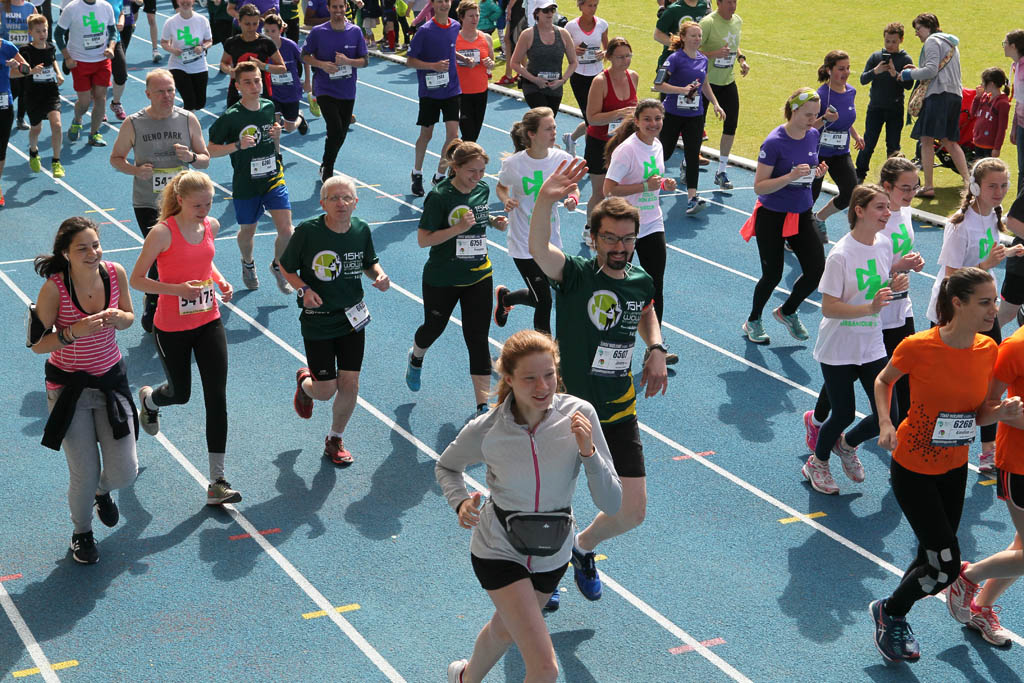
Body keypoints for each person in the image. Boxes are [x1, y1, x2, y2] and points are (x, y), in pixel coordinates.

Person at [437, 329, 621, 683]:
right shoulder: (488, 429)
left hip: (553, 553)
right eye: (530, 378)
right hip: (498, 549)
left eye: (549, 374)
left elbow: (611, 503)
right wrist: (459, 502)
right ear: (508, 378)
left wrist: (589, 452)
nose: (543, 386)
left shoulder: (580, 415)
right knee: (545, 669)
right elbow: (447, 466)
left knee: (505, 630)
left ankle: (464, 678)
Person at [528, 159, 668, 604]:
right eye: (610, 238)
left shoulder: (641, 280)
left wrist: (656, 347)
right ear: (593, 238)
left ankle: (582, 547)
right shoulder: (575, 275)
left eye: (627, 239)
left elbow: (646, 311)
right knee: (551, 504)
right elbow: (538, 248)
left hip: (618, 408)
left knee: (633, 511)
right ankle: (544, 574)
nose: (620, 247)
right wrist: (545, 199)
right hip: (568, 411)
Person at [870, 267, 1023, 663]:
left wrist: (1001, 413)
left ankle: (893, 616)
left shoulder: (988, 349)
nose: (994, 310)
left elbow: (980, 414)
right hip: (913, 468)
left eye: (995, 301)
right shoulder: (918, 346)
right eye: (985, 302)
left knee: (932, 556)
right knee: (946, 567)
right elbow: (883, 381)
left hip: (955, 468)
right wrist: (886, 422)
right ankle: (890, 611)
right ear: (958, 303)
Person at [129, 170, 241, 506]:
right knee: (181, 394)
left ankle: (217, 481)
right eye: (197, 205)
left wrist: (219, 281)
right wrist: (176, 290)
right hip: (172, 327)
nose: (204, 211)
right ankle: (150, 401)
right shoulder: (162, 233)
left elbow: (204, 262)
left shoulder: (210, 226)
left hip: (208, 321)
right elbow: (137, 280)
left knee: (216, 397)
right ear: (180, 200)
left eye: (208, 204)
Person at [31, 217, 139, 565]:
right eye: (83, 248)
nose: (93, 253)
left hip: (110, 382)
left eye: (95, 245)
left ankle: (102, 491)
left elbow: (130, 316)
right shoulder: (54, 289)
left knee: (126, 471)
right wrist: (73, 332)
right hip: (69, 390)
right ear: (66, 253)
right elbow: (37, 344)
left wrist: (120, 319)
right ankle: (82, 532)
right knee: (84, 472)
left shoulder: (115, 273)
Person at [804, 157, 926, 451]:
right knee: (846, 376)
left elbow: (887, 261)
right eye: (905, 188)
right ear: (888, 186)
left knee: (901, 373)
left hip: (896, 306)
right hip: (869, 313)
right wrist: (896, 270)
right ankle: (819, 423)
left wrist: (906, 267)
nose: (911, 194)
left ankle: (891, 433)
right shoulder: (869, 228)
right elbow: (865, 268)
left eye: (915, 187)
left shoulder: (902, 214)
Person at [800, 185, 910, 495]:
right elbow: (829, 307)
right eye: (880, 207)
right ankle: (817, 463)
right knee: (844, 413)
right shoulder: (841, 255)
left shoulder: (884, 244)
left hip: (871, 343)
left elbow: (875, 285)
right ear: (859, 211)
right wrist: (869, 308)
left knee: (888, 415)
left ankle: (846, 444)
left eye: (887, 207)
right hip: (839, 347)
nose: (887, 213)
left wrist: (894, 284)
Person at [281, 175, 391, 466]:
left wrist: (379, 275)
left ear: (355, 202)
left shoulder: (361, 229)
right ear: (323, 203)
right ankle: (305, 382)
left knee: (350, 382)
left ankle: (335, 438)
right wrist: (304, 290)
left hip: (352, 319)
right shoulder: (308, 232)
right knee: (325, 391)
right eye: (334, 198)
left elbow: (369, 262)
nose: (341, 203)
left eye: (346, 198)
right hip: (318, 320)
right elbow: (286, 266)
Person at [924, 158, 1019, 472]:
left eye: (1003, 185)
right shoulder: (958, 224)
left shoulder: (993, 214)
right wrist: (986, 266)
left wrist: (1007, 252)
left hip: (983, 310)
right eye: (992, 186)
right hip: (954, 312)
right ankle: (930, 439)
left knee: (990, 378)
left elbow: (983, 253)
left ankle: (988, 449)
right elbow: (951, 277)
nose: (999, 191)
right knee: (948, 382)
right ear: (976, 187)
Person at [405, 140, 507, 414]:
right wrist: (458, 228)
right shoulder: (439, 196)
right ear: (456, 167)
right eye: (472, 171)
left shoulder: (482, 189)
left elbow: (479, 216)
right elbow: (423, 240)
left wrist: (494, 222)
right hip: (443, 277)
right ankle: (416, 357)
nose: (478, 176)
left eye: (482, 171)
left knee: (477, 338)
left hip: (478, 274)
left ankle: (482, 406)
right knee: (433, 329)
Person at [942, 321, 1024, 647]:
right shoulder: (1016, 347)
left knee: (1021, 546)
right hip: (1019, 462)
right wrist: (1009, 412)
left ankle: (980, 609)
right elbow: (986, 407)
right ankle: (967, 576)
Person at [110, 68, 211, 332]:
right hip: (148, 201)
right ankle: (153, 300)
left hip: (183, 203)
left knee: (179, 253)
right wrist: (135, 170)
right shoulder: (134, 123)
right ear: (148, 94)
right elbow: (116, 158)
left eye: (170, 91)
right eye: (160, 92)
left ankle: (180, 298)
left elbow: (205, 159)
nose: (167, 96)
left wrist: (191, 158)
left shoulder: (187, 119)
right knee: (158, 254)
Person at [741, 87, 826, 345]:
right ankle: (753, 320)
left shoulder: (812, 135)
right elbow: (759, 187)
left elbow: (807, 172)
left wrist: (817, 174)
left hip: (802, 213)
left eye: (816, 114)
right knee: (773, 275)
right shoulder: (774, 142)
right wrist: (790, 176)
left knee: (817, 270)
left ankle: (787, 311)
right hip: (772, 215)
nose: (813, 120)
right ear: (794, 110)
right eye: (808, 114)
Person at [603, 99, 681, 367]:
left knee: (655, 285)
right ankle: (607, 343)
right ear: (636, 121)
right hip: (624, 226)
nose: (653, 124)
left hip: (652, 222)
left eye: (658, 119)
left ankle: (655, 348)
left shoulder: (657, 145)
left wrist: (663, 184)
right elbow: (609, 189)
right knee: (617, 284)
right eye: (647, 119)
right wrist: (645, 186)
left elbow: (652, 181)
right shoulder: (626, 151)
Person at [208, 60, 295, 294]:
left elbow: (272, 141)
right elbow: (210, 149)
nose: (254, 86)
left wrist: (277, 138)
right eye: (247, 82)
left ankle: (278, 265)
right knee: (248, 232)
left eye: (257, 81)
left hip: (273, 177)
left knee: (287, 230)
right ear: (237, 86)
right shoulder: (231, 117)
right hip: (246, 183)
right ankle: (247, 262)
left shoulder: (268, 106)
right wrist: (237, 145)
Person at [493, 106, 575, 334]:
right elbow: (501, 187)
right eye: (548, 129)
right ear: (532, 134)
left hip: (550, 239)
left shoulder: (562, 159)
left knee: (543, 294)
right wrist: (506, 199)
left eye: (554, 128)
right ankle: (546, 349)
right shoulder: (514, 164)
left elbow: (573, 187)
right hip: (523, 241)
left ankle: (506, 298)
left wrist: (573, 198)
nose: (554, 132)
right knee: (544, 301)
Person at [655, 19, 724, 213]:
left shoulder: (703, 59)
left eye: (699, 36)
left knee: (693, 155)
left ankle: (692, 198)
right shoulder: (674, 59)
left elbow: (704, 83)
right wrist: (682, 90)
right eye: (693, 35)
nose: (697, 39)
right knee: (664, 152)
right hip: (672, 114)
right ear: (683, 37)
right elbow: (658, 85)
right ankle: (645, 183)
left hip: (695, 115)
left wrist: (716, 104)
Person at [899, 12, 969, 197]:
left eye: (918, 29)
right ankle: (970, 184)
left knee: (926, 140)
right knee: (950, 141)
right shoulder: (950, 43)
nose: (916, 33)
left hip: (938, 96)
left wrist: (908, 74)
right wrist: (918, 70)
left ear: (928, 26)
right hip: (955, 95)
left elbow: (930, 71)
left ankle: (929, 186)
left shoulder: (932, 41)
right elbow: (936, 69)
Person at [302, 0, 367, 183]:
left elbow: (365, 61)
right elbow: (304, 55)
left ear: (346, 8)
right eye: (334, 7)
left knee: (341, 133)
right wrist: (322, 64)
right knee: (335, 128)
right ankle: (328, 170)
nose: (338, 10)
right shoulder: (318, 32)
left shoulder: (355, 31)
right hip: (325, 88)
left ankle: (325, 163)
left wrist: (348, 61)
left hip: (347, 90)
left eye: (341, 7)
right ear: (328, 8)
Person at [406, 0, 461, 197]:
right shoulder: (424, 31)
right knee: (426, 134)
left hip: (452, 89)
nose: (444, 5)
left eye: (446, 1)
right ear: (433, 4)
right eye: (439, 1)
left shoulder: (456, 26)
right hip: (430, 91)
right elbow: (410, 61)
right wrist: (433, 66)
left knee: (453, 135)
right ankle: (417, 172)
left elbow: (451, 49)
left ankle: (439, 175)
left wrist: (464, 59)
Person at [582, 36, 636, 236]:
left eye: (628, 56)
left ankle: (616, 230)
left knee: (620, 191)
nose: (625, 61)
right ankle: (590, 228)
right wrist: (618, 113)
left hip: (623, 145)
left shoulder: (633, 77)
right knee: (600, 192)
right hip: (600, 144)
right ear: (609, 57)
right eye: (620, 57)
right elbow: (592, 118)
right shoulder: (600, 81)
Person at [810, 50, 865, 244]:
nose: (846, 72)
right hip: (819, 154)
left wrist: (856, 135)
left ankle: (818, 219)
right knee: (809, 196)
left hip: (841, 153)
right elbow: (809, 127)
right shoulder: (820, 96)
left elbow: (846, 119)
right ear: (829, 70)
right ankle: (794, 235)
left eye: (848, 68)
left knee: (851, 192)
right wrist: (825, 119)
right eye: (841, 69)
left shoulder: (851, 92)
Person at [854, 22, 913, 183]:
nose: (890, 45)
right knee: (868, 142)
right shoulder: (876, 57)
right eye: (887, 41)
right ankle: (859, 174)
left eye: (894, 41)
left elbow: (909, 85)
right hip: (875, 109)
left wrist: (895, 74)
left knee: (893, 146)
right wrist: (876, 71)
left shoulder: (905, 59)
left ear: (901, 40)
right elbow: (863, 79)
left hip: (895, 109)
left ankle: (891, 178)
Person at [698, 0, 748, 191]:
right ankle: (688, 162)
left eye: (735, 1)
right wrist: (714, 53)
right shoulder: (708, 23)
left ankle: (721, 171)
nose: (732, 5)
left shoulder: (737, 21)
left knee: (731, 125)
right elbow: (691, 51)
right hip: (705, 82)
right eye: (728, 2)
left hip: (727, 81)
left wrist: (741, 60)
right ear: (718, 2)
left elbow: (734, 45)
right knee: (697, 126)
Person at [55, 0, 117, 147]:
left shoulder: (106, 7)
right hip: (79, 62)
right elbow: (58, 34)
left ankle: (94, 134)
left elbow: (113, 32)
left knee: (100, 98)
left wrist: (111, 48)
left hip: (102, 60)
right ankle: (77, 120)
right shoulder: (72, 8)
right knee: (84, 102)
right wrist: (67, 57)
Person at [15, 15, 64, 179]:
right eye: (38, 31)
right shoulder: (25, 51)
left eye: (44, 30)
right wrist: (31, 71)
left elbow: (53, 60)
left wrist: (58, 73)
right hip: (33, 94)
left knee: (57, 125)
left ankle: (56, 161)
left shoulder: (50, 47)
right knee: (36, 128)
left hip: (51, 92)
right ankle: (33, 151)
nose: (42, 34)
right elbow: (19, 70)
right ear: (30, 33)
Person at [509, 0, 576, 113]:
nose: (549, 13)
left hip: (555, 88)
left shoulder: (563, 34)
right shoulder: (528, 34)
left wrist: (562, 80)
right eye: (545, 10)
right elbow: (514, 63)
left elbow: (573, 62)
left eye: (552, 10)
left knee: (548, 121)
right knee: (543, 116)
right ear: (537, 13)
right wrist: (535, 80)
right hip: (532, 86)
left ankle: (526, 125)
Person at [218, 3, 286, 108]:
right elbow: (223, 63)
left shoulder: (266, 43)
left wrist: (263, 66)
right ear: (239, 22)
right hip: (237, 92)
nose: (251, 27)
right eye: (247, 24)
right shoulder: (232, 42)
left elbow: (282, 68)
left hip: (262, 93)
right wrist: (229, 71)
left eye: (255, 23)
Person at [561, 0, 607, 156]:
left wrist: (603, 53)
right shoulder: (570, 27)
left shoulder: (602, 25)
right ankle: (591, 157)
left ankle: (571, 138)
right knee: (591, 120)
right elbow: (563, 48)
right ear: (580, 6)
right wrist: (574, 50)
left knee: (597, 117)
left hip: (599, 76)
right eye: (589, 5)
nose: (592, 9)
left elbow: (607, 48)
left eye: (595, 5)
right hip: (579, 76)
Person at [160, 0, 213, 112]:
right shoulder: (170, 22)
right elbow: (164, 42)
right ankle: (185, 120)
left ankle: (180, 115)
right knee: (190, 102)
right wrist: (173, 50)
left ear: (193, 1)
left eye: (188, 0)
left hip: (199, 65)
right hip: (178, 65)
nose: (185, 2)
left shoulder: (202, 20)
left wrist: (202, 47)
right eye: (182, 0)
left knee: (200, 103)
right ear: (177, 2)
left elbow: (209, 40)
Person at [262, 13, 309, 136]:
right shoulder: (262, 47)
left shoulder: (290, 45)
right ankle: (276, 147)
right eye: (266, 31)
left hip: (291, 91)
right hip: (273, 92)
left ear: (280, 30)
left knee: (289, 128)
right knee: (274, 124)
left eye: (273, 31)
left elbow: (305, 61)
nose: (269, 34)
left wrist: (307, 81)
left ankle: (300, 117)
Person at [454, 0, 494, 143]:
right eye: (471, 16)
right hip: (461, 93)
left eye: (477, 15)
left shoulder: (486, 38)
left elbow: (491, 63)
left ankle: (458, 155)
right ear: (462, 17)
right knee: (469, 134)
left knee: (474, 135)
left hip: (481, 91)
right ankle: (460, 156)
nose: (475, 19)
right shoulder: (454, 38)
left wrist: (490, 63)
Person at [0, 35, 28, 207]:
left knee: (1, 149)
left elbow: (26, 69)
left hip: (4, 104)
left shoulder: (8, 47)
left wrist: (18, 65)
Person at [1, 0, 36, 130]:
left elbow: (38, 29)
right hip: (7, 54)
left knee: (25, 88)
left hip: (25, 53)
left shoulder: (30, 8)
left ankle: (20, 118)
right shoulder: (2, 6)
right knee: (13, 88)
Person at [652, 0, 707, 70]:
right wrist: (680, 45)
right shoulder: (673, 10)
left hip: (693, 63)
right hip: (671, 62)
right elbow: (657, 34)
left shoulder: (703, 6)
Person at [971, 67, 1011, 159]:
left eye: (983, 82)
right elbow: (973, 113)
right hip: (977, 142)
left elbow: (1002, 128)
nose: (981, 85)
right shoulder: (984, 97)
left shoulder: (1002, 103)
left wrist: (997, 148)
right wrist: (977, 98)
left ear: (991, 84)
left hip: (989, 147)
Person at [1005, 30, 1024, 197]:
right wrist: (1014, 126)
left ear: (1013, 46)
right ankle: (1020, 208)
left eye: (1005, 43)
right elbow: (1019, 99)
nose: (1003, 46)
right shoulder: (1016, 66)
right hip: (1021, 124)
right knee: (1022, 169)